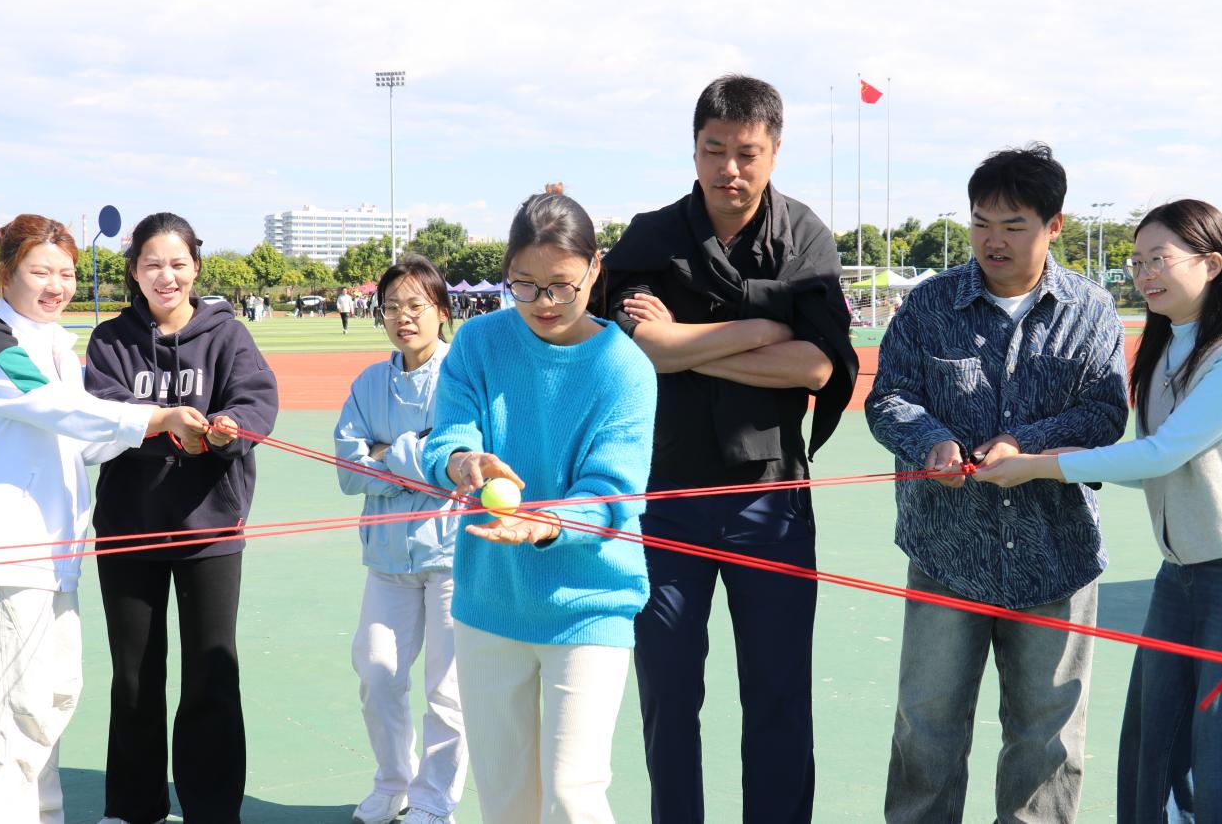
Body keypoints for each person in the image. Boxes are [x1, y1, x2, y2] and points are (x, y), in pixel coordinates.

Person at [604, 74, 857, 823]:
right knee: (668, 691)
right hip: (666, 495)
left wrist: (681, 346)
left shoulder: (803, 236)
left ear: (774, 151)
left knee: (778, 692)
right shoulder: (651, 235)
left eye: (747, 152)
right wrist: (756, 330)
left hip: (769, 499)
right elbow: (635, 349)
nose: (729, 169)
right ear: (694, 149)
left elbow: (816, 367)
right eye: (714, 150)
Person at [864, 143, 1129, 822]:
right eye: (981, 222)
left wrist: (1024, 445)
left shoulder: (1091, 309)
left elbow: (1104, 414)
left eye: (1014, 225)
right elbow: (888, 397)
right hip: (946, 554)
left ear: (1054, 226)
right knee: (925, 735)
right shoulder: (928, 304)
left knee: (1047, 743)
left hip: (1058, 556)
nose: (993, 240)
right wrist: (930, 440)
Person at [973, 199, 1222, 823]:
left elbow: (1161, 454)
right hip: (1179, 577)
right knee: (1153, 740)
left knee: (1213, 749)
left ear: (1213, 264)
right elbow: (1159, 470)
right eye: (1136, 262)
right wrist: (1054, 458)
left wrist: (1039, 465)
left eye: (1159, 259)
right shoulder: (1166, 349)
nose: (1145, 275)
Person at [0, 214, 209, 824]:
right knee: (11, 716)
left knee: (50, 703)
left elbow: (89, 439)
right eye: (40, 272)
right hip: (9, 561)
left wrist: (174, 427)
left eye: (66, 273)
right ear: (6, 274)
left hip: (55, 559)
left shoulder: (54, 346)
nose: (57, 286)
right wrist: (158, 417)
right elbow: (57, 409)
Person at [423, 192, 657, 823]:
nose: (543, 303)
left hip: (589, 603)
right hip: (489, 601)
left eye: (561, 286)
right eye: (523, 285)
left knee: (573, 794)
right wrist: (463, 462)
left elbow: (612, 492)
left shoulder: (626, 369)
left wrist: (548, 522)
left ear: (595, 269)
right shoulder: (478, 342)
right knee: (504, 801)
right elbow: (447, 438)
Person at [83, 212, 280, 824]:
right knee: (134, 675)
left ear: (195, 266)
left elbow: (255, 401)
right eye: (152, 264)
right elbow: (102, 411)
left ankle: (212, 808)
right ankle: (133, 806)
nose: (165, 276)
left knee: (211, 674)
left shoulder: (229, 336)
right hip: (129, 529)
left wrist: (228, 430)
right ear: (134, 271)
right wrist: (164, 423)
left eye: (177, 263)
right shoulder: (109, 340)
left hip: (210, 529)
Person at [335, 255, 468, 824]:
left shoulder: (463, 375)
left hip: (454, 554)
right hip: (388, 556)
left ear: (442, 310)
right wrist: (423, 458)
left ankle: (435, 801)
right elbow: (348, 470)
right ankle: (394, 783)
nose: (403, 317)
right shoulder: (369, 383)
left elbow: (458, 462)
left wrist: (388, 453)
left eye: (416, 305)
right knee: (377, 670)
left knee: (449, 689)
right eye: (391, 307)